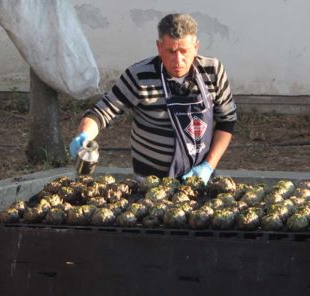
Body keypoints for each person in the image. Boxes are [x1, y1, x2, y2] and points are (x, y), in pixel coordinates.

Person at [68, 13, 237, 185]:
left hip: (197, 179)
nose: (178, 60)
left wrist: (208, 166)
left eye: (184, 51)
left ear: (196, 46)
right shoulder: (139, 76)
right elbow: (101, 113)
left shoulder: (213, 71)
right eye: (171, 51)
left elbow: (227, 121)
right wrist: (84, 135)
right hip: (149, 183)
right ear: (159, 46)